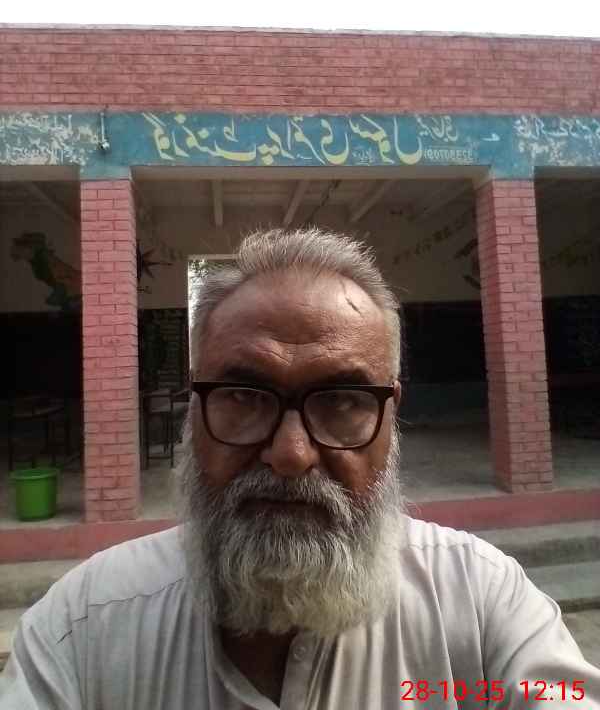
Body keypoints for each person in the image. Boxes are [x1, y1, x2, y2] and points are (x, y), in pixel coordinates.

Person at [1, 227, 598, 710]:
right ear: (194, 408)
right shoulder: (83, 626)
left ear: (391, 415)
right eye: (244, 396)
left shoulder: (479, 602)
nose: (291, 454)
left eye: (341, 401)